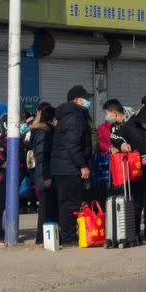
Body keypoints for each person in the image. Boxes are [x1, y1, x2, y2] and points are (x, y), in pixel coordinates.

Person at [109, 99, 146, 245]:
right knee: (134, 202)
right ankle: (133, 233)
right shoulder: (131, 125)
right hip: (134, 170)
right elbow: (114, 136)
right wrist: (122, 144)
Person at [50, 86, 94, 246]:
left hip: (62, 167)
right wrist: (82, 165)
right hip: (69, 167)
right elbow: (73, 145)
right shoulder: (75, 118)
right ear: (76, 100)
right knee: (71, 204)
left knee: (65, 203)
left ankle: (67, 235)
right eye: (86, 98)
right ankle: (69, 237)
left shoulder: (67, 116)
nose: (88, 102)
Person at [0, 114, 26, 245]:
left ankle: (9, 233)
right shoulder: (3, 139)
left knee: (10, 205)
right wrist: (8, 165)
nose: (21, 125)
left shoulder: (19, 139)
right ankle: (0, 235)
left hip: (11, 178)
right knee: (1, 206)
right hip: (0, 178)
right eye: (18, 123)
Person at [30, 106, 56, 245]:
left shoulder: (42, 131)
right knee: (45, 208)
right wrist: (46, 176)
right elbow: (42, 155)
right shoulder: (43, 133)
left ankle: (45, 237)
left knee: (47, 207)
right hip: (44, 174)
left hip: (45, 173)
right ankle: (41, 238)